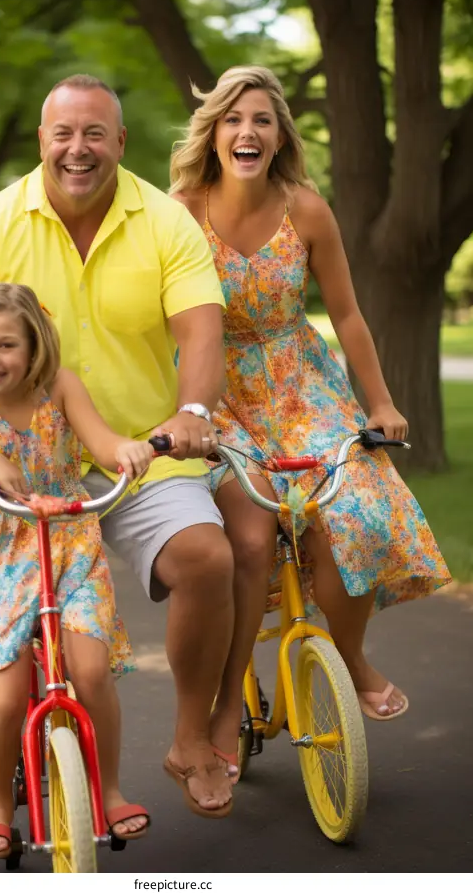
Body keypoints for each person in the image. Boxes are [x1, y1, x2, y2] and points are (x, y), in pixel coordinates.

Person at [0, 74, 234, 872]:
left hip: (132, 451)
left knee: (207, 556)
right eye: (63, 134)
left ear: (121, 142)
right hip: (22, 471)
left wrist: (190, 412)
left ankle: (190, 741)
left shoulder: (166, 221)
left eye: (95, 134)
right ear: (43, 140)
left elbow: (202, 334)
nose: (77, 149)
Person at [170, 65, 451, 777]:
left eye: (261, 119)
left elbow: (348, 315)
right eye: (233, 119)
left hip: (301, 382)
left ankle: (351, 658)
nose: (247, 131)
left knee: (349, 509)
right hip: (219, 392)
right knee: (255, 536)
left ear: (279, 135)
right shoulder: (180, 210)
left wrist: (381, 401)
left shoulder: (307, 208)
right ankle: (226, 711)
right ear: (214, 133)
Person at [0, 283, 154, 855]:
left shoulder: (60, 388)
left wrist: (125, 451)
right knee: (7, 697)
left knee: (89, 671)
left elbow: (103, 441)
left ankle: (109, 791)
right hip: (2, 551)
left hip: (68, 543)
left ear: (34, 349)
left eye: (7, 345)